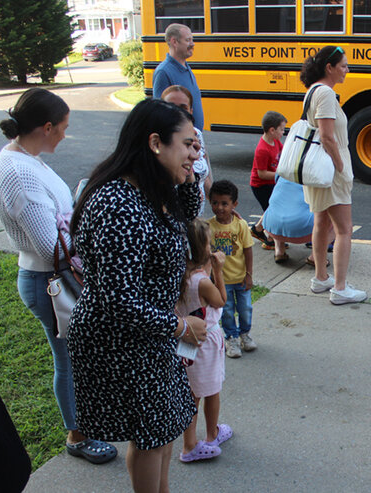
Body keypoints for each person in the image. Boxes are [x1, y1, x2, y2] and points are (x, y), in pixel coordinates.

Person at [68, 98, 207, 493]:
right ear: (154, 143)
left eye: (197, 147)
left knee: (161, 433)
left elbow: (190, 208)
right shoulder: (118, 203)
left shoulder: (155, 187)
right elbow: (118, 299)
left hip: (149, 334)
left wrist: (190, 166)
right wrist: (181, 326)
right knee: (151, 437)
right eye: (187, 145)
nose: (194, 155)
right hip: (121, 340)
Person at [0, 88, 117, 465]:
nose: (65, 134)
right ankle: (77, 435)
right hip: (49, 283)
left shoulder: (26, 158)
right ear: (46, 128)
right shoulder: (20, 174)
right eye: (63, 127)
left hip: (55, 278)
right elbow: (52, 248)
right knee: (70, 361)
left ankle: (85, 423)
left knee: (76, 358)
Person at [299, 45, 367, 305]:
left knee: (321, 223)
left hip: (318, 170)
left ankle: (321, 277)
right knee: (344, 229)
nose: (347, 71)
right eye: (343, 66)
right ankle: (339, 287)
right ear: (329, 67)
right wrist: (341, 167)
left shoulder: (312, 91)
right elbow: (327, 136)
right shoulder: (326, 93)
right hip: (330, 170)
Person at [177, 219, 233, 462]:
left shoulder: (178, 275)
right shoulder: (202, 281)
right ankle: (209, 436)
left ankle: (189, 442)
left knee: (191, 392)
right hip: (206, 340)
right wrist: (218, 270)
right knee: (211, 389)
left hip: (186, 338)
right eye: (209, 244)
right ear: (203, 250)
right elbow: (220, 301)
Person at [208, 180, 256, 358]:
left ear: (234, 204)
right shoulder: (209, 227)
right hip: (222, 281)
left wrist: (249, 275)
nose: (219, 207)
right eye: (215, 202)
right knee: (226, 311)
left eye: (224, 203)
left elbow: (248, 251)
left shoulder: (241, 225)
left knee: (245, 309)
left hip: (241, 278)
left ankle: (245, 334)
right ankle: (231, 337)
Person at [161, 85, 212, 215]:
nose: (177, 112)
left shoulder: (197, 135)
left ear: (190, 111)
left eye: (183, 108)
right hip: (173, 217)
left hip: (195, 216)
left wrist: (221, 204)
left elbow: (205, 176)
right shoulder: (159, 143)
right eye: (171, 106)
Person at [262, 176, 325, 265]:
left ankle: (279, 251)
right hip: (303, 230)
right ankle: (315, 256)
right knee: (333, 218)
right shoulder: (314, 174)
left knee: (279, 206)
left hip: (272, 226)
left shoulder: (283, 169)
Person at [153, 23, 203, 130]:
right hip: (181, 142)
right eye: (188, 40)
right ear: (174, 42)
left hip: (194, 139)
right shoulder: (163, 72)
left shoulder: (186, 67)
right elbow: (161, 114)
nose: (192, 44)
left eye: (192, 40)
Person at [250, 111, 287, 250]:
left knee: (272, 208)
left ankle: (258, 230)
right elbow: (262, 174)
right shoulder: (262, 150)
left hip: (271, 183)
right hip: (261, 185)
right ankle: (270, 239)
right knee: (272, 211)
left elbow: (283, 154)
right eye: (282, 129)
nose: (283, 132)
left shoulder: (276, 141)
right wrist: (280, 174)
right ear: (272, 130)